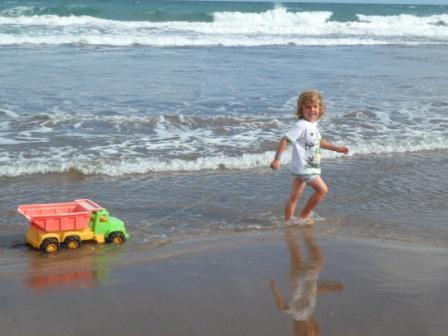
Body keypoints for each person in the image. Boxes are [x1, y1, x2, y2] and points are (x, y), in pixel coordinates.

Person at [270, 90, 349, 225]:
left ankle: (288, 222)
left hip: (302, 166)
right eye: (308, 107)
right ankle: (303, 217)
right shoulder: (301, 125)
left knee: (295, 196)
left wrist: (335, 148)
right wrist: (277, 159)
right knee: (322, 190)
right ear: (301, 109)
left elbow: (319, 142)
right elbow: (285, 140)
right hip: (305, 167)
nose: (312, 110)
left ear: (320, 108)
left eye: (315, 106)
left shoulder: (313, 125)